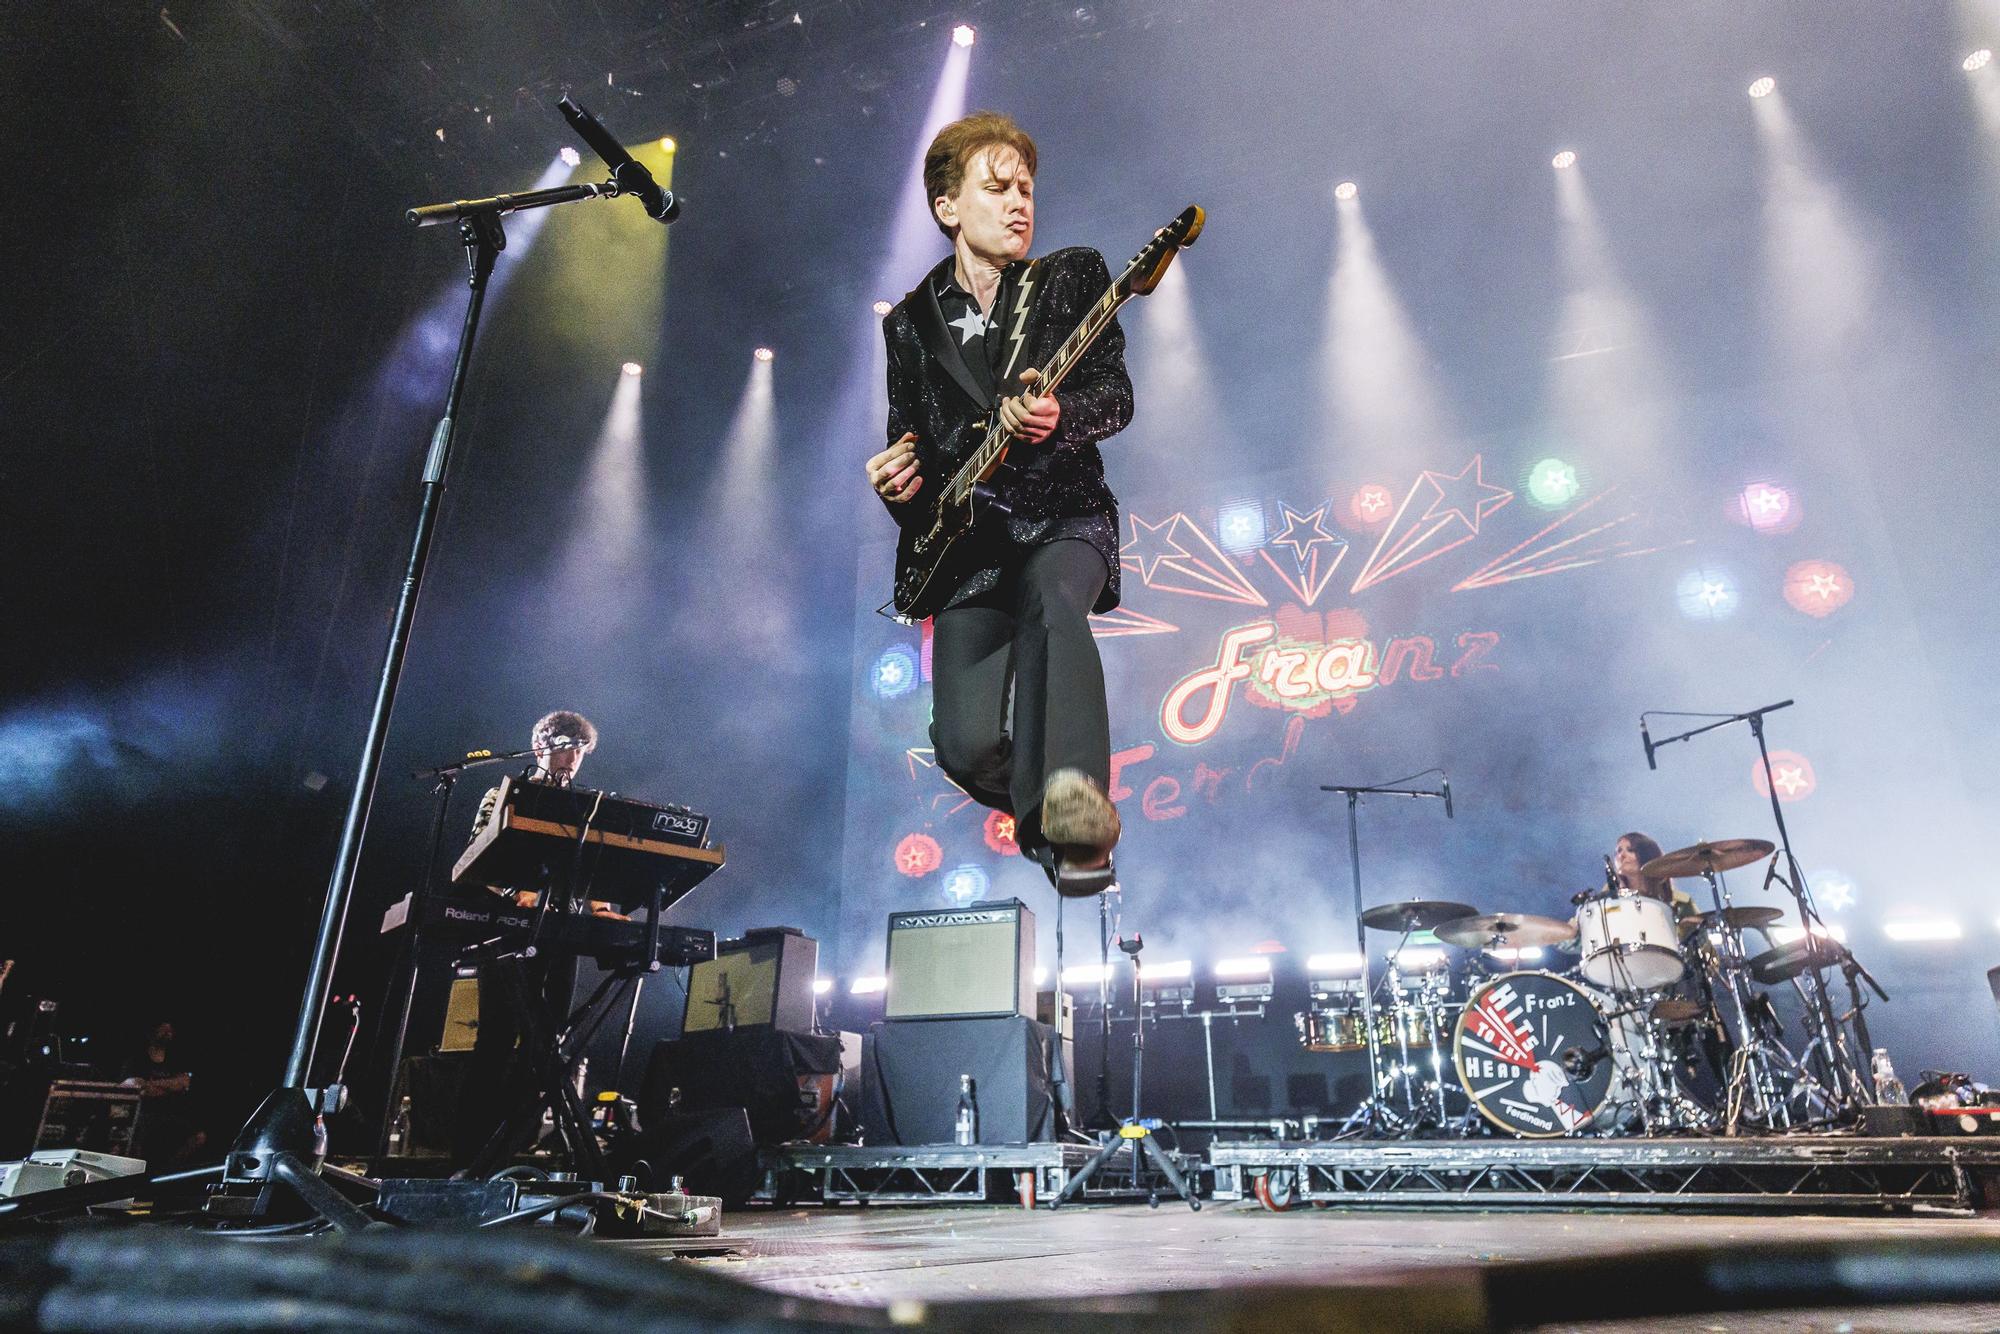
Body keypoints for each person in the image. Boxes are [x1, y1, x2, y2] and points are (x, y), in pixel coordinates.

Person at [864, 111, 1132, 896]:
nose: (1020, 202)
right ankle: (1049, 822)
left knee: (1055, 604)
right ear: (948, 206)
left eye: (1027, 188)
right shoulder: (911, 324)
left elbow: (1114, 394)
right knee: (965, 745)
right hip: (971, 551)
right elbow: (909, 446)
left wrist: (1061, 416)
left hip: (1065, 517)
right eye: (997, 187)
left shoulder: (1069, 279)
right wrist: (895, 481)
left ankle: (1081, 808)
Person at [451, 709, 615, 1167]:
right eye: (567, 745)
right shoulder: (504, 793)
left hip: (560, 934)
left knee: (550, 1043)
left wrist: (601, 909)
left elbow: (589, 868)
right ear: (541, 745)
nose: (574, 757)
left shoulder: (586, 804)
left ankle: (511, 1151)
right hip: (507, 932)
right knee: (498, 1040)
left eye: (581, 749)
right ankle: (468, 1155)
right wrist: (514, 891)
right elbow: (476, 853)